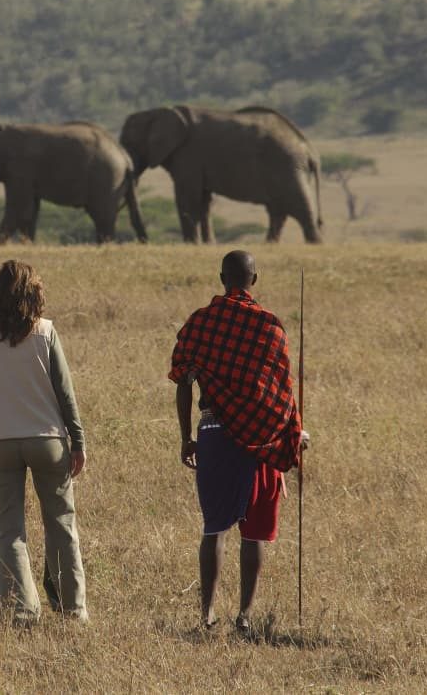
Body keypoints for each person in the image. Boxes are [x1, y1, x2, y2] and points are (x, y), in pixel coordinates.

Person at [169, 250, 304, 635]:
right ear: (254, 280)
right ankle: (244, 616)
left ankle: (207, 615)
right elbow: (282, 392)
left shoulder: (201, 322)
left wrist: (187, 437)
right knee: (255, 530)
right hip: (260, 438)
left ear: (221, 277)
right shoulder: (270, 327)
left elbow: (183, 380)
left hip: (213, 432)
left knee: (214, 526)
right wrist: (289, 433)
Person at [0, 260, 88, 625]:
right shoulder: (45, 331)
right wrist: (77, 440)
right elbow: (65, 393)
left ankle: (19, 612)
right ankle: (73, 611)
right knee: (61, 524)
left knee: (9, 530)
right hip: (47, 439)